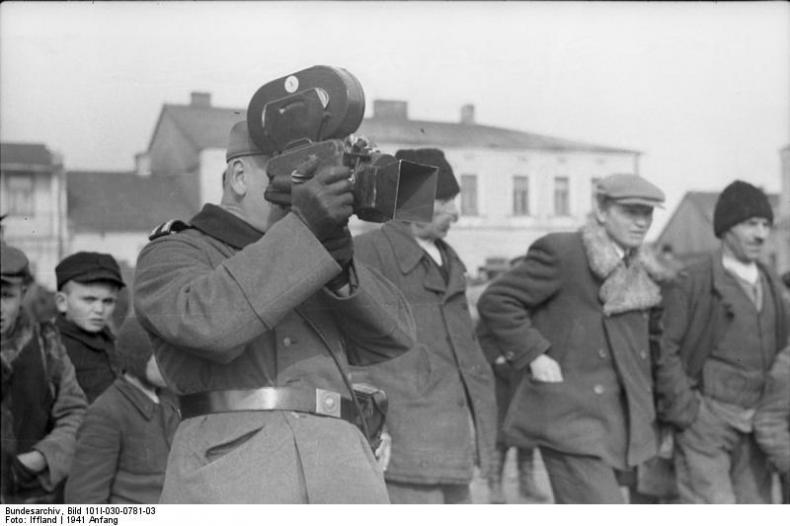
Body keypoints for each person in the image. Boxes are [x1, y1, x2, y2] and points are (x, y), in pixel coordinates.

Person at [132, 120, 416, 503]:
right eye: (300, 172)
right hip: (237, 477)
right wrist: (305, 231)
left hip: (343, 472)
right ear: (239, 176)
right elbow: (209, 327)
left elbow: (395, 337)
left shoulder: (313, 250)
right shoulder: (174, 251)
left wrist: (340, 261)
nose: (314, 187)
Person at [477, 173, 668, 504]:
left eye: (647, 214)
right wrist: (535, 354)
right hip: (570, 419)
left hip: (616, 422)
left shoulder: (638, 268)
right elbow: (497, 301)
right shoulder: (564, 252)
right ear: (602, 211)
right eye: (630, 212)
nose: (641, 222)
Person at [352, 148, 497, 504]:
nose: (457, 214)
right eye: (445, 199)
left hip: (454, 440)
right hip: (404, 443)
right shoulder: (368, 253)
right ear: (413, 200)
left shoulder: (448, 258)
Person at [655, 180, 789, 504]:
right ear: (726, 229)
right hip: (706, 422)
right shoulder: (694, 281)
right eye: (749, 224)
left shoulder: (771, 280)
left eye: (765, 225)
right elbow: (665, 349)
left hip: (756, 426)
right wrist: (687, 411)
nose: (759, 234)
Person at [1, 242, 87, 503]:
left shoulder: (47, 346)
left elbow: (75, 414)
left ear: (23, 293)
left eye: (5, 295)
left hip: (32, 500)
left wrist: (39, 460)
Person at [65, 316, 179, 504]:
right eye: (162, 357)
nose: (173, 364)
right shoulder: (107, 412)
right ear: (137, 357)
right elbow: (84, 498)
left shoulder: (171, 400)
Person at [477, 256, 547, 504]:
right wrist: (497, 359)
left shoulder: (537, 303)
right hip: (503, 380)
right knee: (501, 435)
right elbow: (482, 337)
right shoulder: (496, 300)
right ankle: (495, 486)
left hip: (528, 378)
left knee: (527, 432)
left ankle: (527, 484)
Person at [54, 252, 125, 403]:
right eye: (89, 299)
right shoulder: (50, 347)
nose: (99, 309)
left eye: (108, 301)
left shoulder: (111, 341)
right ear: (62, 302)